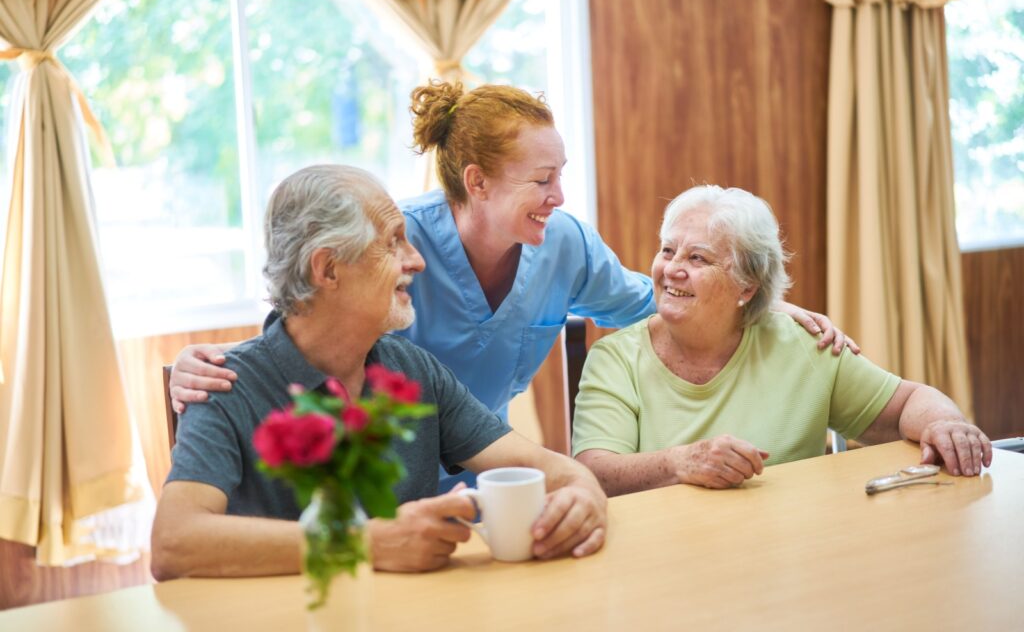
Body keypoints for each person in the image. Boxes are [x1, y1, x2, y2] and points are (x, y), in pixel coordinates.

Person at [167, 82, 855, 492]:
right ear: (478, 182)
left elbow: (667, 295)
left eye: (562, 175)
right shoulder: (398, 245)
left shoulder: (564, 245)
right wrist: (208, 366)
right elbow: (309, 325)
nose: (560, 195)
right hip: (384, 483)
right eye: (542, 180)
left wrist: (767, 300)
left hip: (494, 476)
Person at [150, 165, 607, 581]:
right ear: (328, 269)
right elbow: (173, 543)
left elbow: (552, 470)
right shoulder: (224, 384)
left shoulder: (412, 369)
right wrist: (370, 542)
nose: (417, 261)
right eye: (393, 242)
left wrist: (583, 495)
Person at [571, 185, 992, 496]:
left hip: (791, 562)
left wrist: (944, 423)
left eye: (697, 257)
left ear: (746, 287)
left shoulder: (802, 345)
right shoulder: (616, 358)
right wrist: (681, 462)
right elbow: (596, 471)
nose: (671, 269)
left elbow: (906, 404)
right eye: (667, 250)